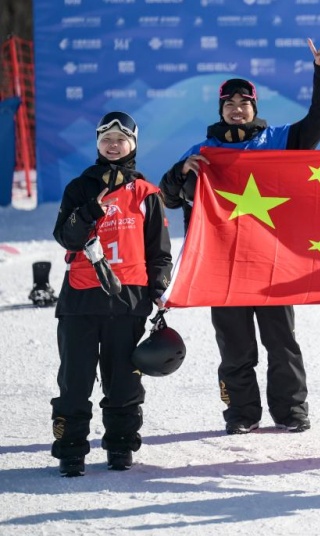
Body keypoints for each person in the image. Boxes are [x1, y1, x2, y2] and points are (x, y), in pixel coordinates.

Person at [159, 39, 320, 435]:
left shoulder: (278, 141)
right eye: (229, 104)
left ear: (254, 109)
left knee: (282, 344)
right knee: (235, 348)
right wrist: (179, 173)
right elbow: (171, 197)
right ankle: (241, 414)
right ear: (221, 110)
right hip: (221, 266)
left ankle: (291, 412)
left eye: (244, 103)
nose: (236, 109)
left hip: (271, 263)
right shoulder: (203, 150)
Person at [51, 111, 173, 477]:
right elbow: (65, 237)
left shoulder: (147, 193)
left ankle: (120, 446)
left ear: (133, 144)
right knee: (75, 379)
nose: (114, 146)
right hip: (81, 299)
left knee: (124, 379)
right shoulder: (79, 187)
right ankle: (71, 449)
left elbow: (159, 251)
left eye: (121, 140)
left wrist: (159, 287)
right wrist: (89, 211)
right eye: (107, 139)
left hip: (129, 301)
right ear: (98, 144)